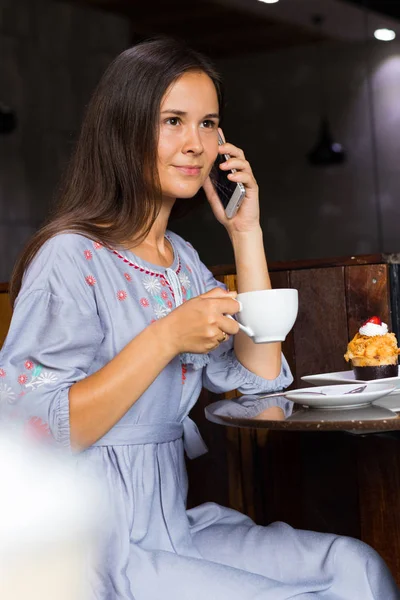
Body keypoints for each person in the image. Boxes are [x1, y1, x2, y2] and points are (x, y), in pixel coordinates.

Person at [0, 38, 398, 600]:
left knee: (353, 565)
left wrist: (245, 233)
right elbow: (33, 428)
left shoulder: (181, 261)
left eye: (208, 122)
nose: (196, 143)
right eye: (172, 121)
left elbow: (259, 373)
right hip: (98, 544)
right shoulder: (70, 255)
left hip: (176, 527)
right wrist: (164, 338)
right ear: (124, 129)